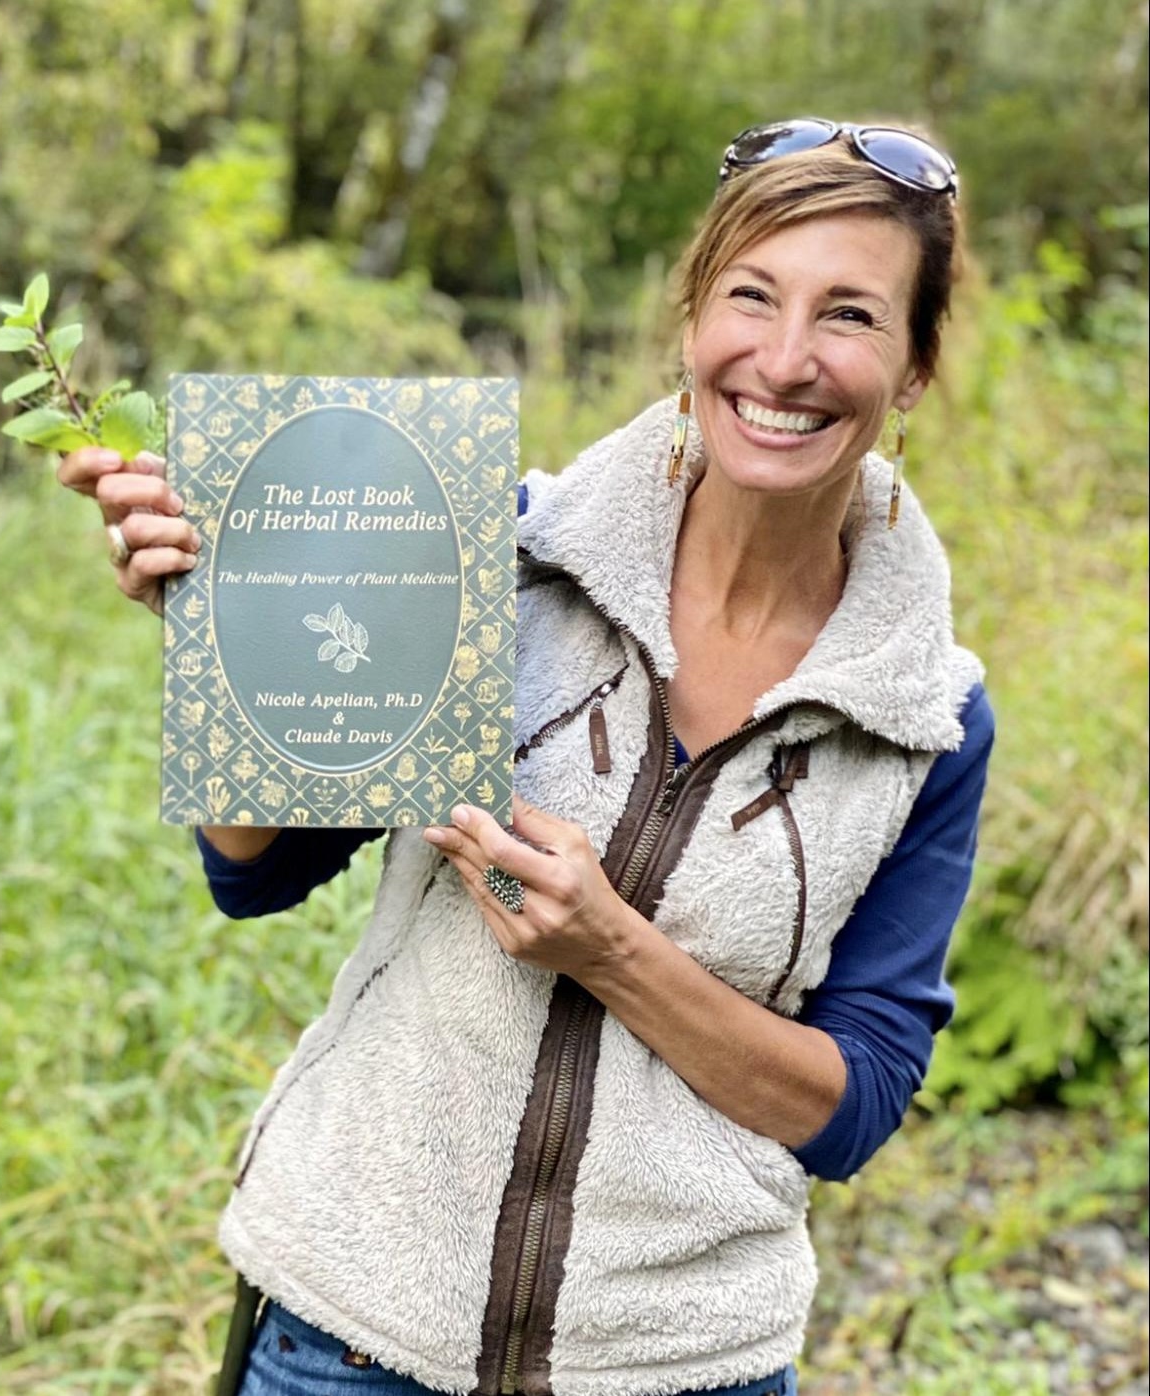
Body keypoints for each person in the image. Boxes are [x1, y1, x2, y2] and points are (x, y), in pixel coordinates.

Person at [57, 118, 993, 1396]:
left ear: (916, 365)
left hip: (682, 1363)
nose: (784, 359)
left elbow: (851, 1103)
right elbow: (258, 867)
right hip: (353, 1331)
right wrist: (228, 637)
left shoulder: (927, 714)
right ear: (689, 319)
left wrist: (609, 948)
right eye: (751, 296)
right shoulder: (495, 551)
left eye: (850, 316)